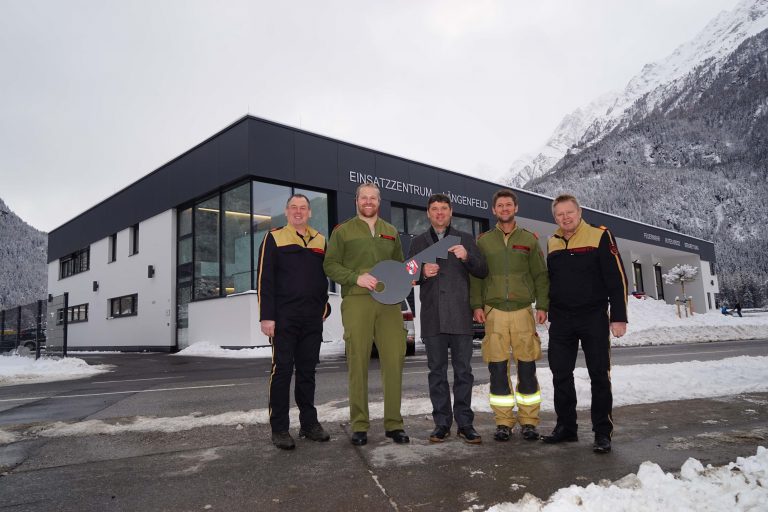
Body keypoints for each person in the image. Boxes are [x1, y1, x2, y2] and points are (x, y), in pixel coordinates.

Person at [323, 182, 409, 446]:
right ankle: (359, 425)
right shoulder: (342, 231)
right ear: (356, 201)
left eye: (373, 198)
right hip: (357, 300)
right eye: (364, 198)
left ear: (379, 202)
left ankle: (394, 424)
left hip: (389, 304)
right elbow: (330, 265)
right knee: (358, 361)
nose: (368, 202)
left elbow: (399, 267)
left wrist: (411, 277)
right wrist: (355, 277)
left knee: (394, 360)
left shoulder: (391, 231)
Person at [542, 194, 628, 454]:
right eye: (560, 214)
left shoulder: (600, 235)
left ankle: (602, 432)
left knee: (599, 375)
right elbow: (551, 280)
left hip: (593, 317)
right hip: (561, 320)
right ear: (555, 217)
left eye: (569, 212)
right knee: (560, 374)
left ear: (579, 212)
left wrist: (618, 317)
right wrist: (546, 309)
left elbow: (617, 278)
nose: (565, 217)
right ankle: (566, 427)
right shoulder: (552, 241)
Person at [470, 189, 549, 442]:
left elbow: (540, 275)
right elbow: (476, 276)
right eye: (500, 205)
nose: (504, 209)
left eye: (508, 205)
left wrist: (542, 305)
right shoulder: (483, 241)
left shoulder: (529, 239)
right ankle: (503, 421)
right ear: (493, 210)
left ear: (516, 208)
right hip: (494, 312)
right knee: (497, 368)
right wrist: (477, 305)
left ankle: (529, 421)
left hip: (523, 310)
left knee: (527, 367)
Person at [409, 193, 488, 444]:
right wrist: (422, 272)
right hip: (433, 317)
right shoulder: (418, 242)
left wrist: (467, 257)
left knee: (464, 372)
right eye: (434, 209)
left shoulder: (465, 239)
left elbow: (482, 270)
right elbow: (407, 274)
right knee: (437, 373)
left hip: (460, 315)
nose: (439, 213)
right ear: (428, 213)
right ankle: (441, 423)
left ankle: (465, 423)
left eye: (444, 208)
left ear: (451, 212)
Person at [257, 194, 331, 450]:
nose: (298, 212)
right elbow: (264, 279)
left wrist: (325, 306)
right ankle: (279, 428)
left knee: (307, 373)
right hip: (284, 318)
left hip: (312, 319)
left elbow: (324, 278)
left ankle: (309, 425)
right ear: (286, 211)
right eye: (293, 208)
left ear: (310, 212)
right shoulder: (274, 237)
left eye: (303, 208)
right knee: (282, 371)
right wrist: (266, 316)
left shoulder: (320, 240)